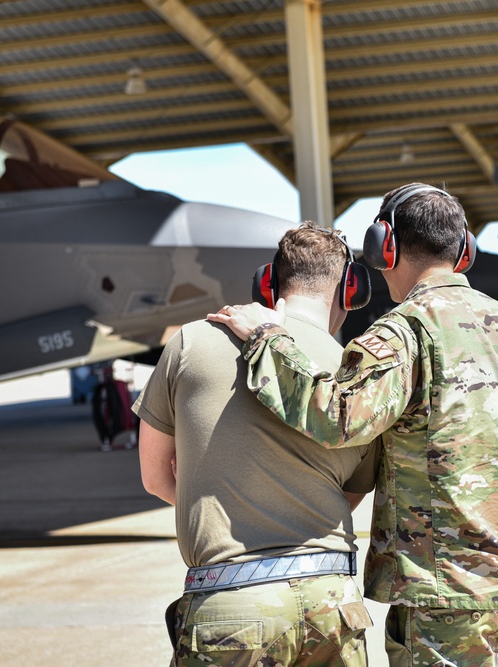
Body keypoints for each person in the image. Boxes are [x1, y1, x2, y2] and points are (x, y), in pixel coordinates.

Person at [209, 183, 498, 667]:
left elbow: (338, 418)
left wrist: (267, 340)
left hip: (445, 598)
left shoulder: (403, 332)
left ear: (384, 245)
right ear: (464, 250)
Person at [133, 223, 380, 667]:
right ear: (350, 290)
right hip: (334, 604)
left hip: (230, 602)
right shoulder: (358, 377)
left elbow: (155, 477)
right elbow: (350, 495)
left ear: (267, 283)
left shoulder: (190, 341)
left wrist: (223, 503)